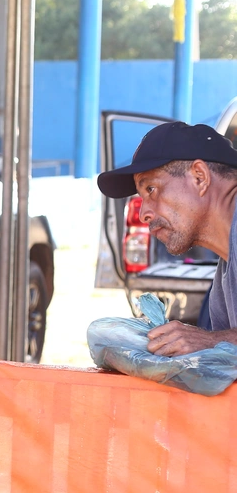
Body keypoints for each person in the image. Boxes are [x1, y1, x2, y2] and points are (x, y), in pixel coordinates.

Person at [97, 121, 237, 356]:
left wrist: (211, 342)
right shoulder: (224, 279)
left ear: (199, 177)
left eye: (151, 189)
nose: (143, 214)